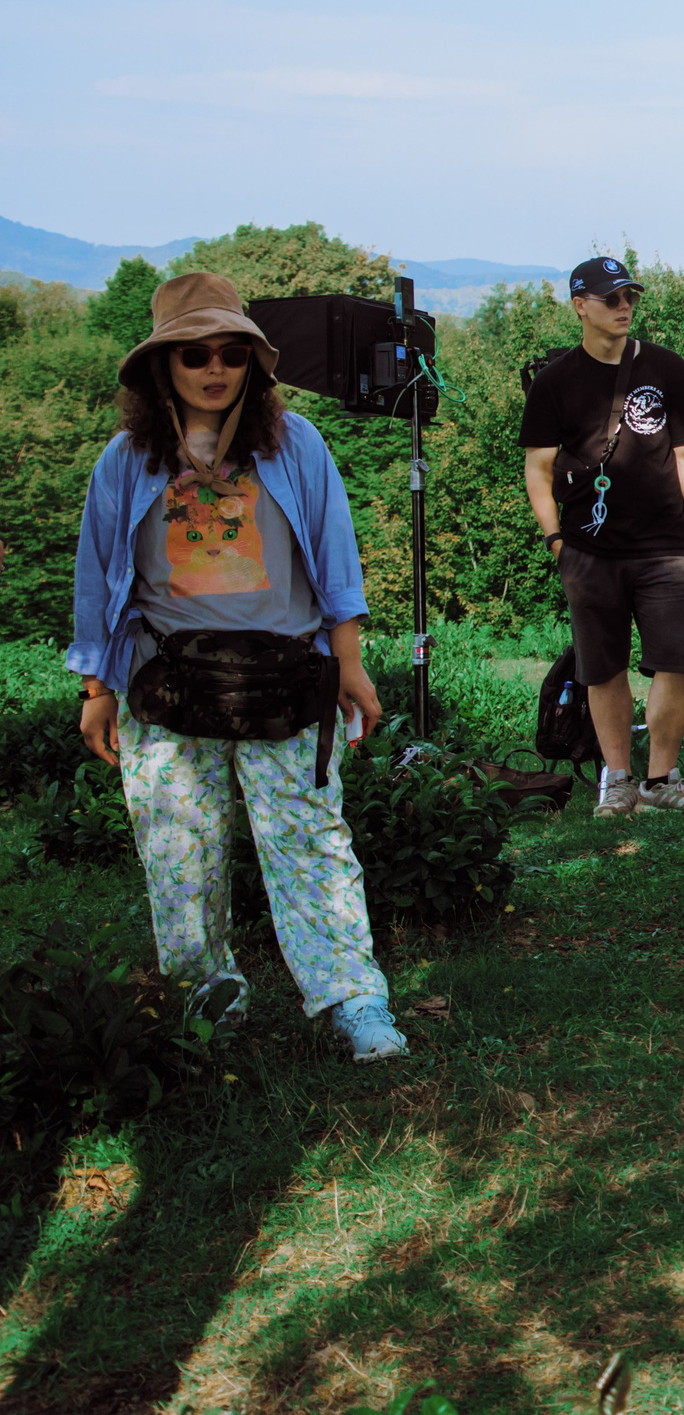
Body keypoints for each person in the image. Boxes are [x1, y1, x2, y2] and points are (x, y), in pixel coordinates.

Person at [67, 271, 404, 1062]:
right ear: (163, 366)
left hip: (285, 676)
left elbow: (335, 556)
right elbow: (97, 575)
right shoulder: (127, 460)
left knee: (309, 839)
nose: (214, 368)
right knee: (178, 851)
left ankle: (353, 999)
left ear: (254, 361)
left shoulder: (296, 445)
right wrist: (95, 687)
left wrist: (350, 663)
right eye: (194, 354)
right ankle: (206, 998)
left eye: (232, 352)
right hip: (165, 680)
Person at [520, 255, 684, 816]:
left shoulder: (667, 368)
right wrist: (556, 541)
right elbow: (538, 469)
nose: (624, 306)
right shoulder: (555, 382)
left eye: (630, 296)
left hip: (665, 547)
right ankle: (618, 781)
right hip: (588, 550)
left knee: (677, 662)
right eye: (611, 298)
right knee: (602, 668)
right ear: (579, 306)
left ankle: (661, 780)